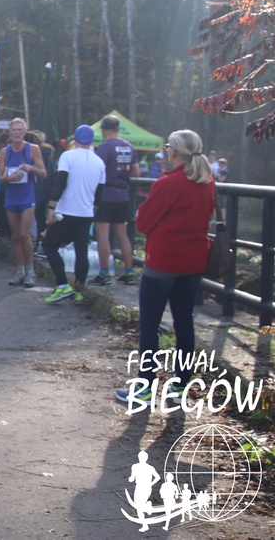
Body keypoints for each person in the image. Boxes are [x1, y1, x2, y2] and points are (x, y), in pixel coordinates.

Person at [115, 130, 215, 404]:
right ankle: (180, 385)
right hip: (194, 260)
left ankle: (145, 387)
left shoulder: (166, 184)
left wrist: (143, 213)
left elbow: (144, 223)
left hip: (163, 260)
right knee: (184, 321)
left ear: (173, 152)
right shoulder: (207, 182)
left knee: (149, 324)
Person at [42, 125, 106, 303]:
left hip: (66, 210)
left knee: (50, 245)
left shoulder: (67, 156)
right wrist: (93, 209)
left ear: (75, 139)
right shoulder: (99, 162)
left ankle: (62, 285)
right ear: (91, 141)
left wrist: (51, 206)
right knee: (81, 251)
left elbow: (60, 181)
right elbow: (100, 192)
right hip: (86, 212)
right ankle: (79, 290)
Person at [91, 115, 140, 286]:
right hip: (123, 195)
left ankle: (104, 273)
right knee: (123, 235)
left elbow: (98, 171)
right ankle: (129, 272)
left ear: (104, 129)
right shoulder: (129, 146)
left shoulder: (105, 147)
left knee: (102, 234)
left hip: (106, 194)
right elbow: (136, 172)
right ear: (118, 129)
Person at [0, 118, 47, 289]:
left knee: (25, 234)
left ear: (24, 132)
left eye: (20, 130)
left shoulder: (32, 149)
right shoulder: (5, 152)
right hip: (12, 197)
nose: (17, 133)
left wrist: (31, 168)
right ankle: (19, 271)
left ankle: (30, 271)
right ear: (10, 133)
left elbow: (44, 174)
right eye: (14, 130)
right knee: (16, 235)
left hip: (27, 197)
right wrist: (8, 178)